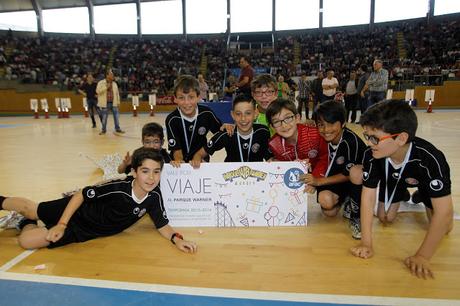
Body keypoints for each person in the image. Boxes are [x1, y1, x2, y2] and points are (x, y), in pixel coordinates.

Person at [0, 148, 197, 253]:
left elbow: (162, 225)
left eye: (156, 172)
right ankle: (15, 209)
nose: (151, 178)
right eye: (145, 171)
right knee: (30, 208)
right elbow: (81, 194)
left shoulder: (154, 196)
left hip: (84, 230)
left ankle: (23, 223)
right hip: (77, 209)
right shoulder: (118, 188)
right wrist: (61, 224)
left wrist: (177, 240)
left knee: (26, 241)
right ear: (135, 172)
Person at [350, 100, 453, 279]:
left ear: (401, 138)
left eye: (374, 138)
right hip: (394, 181)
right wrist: (366, 243)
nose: (370, 143)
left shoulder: (430, 158)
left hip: (424, 183)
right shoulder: (372, 155)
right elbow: (367, 198)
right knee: (385, 218)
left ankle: (423, 195)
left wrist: (422, 256)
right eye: (367, 136)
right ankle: (403, 195)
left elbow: (444, 212)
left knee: (446, 228)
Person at [307, 101, 366, 239]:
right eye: (321, 124)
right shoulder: (320, 139)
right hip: (333, 177)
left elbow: (349, 174)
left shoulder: (351, 142)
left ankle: (356, 211)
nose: (326, 129)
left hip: (354, 181)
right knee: (328, 209)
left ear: (343, 123)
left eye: (331, 123)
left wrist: (318, 182)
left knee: (355, 174)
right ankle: (345, 201)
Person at [265, 98, 328, 192]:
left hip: (320, 177)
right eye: (276, 122)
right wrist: (276, 164)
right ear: (272, 127)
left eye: (288, 118)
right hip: (296, 182)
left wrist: (315, 179)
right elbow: (285, 169)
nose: (284, 125)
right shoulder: (274, 144)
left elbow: (325, 158)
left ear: (297, 118)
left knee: (326, 200)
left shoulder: (315, 134)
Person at [165, 75, 222, 169]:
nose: (187, 103)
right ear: (175, 99)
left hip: (201, 161)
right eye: (181, 98)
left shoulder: (207, 113)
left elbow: (220, 133)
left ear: (198, 97)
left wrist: (203, 152)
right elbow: (176, 148)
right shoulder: (172, 119)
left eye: (191, 97)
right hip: (180, 162)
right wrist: (180, 162)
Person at [199, 94, 272, 162]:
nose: (243, 118)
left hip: (257, 175)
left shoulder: (263, 131)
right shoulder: (228, 133)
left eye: (248, 113)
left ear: (255, 113)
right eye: (238, 114)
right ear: (233, 115)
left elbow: (269, 158)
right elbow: (200, 154)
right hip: (230, 175)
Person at [96, 70, 125, 135]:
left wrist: (118, 102)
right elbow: (98, 91)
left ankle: (117, 129)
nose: (113, 76)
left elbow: (117, 94)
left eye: (112, 75)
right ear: (107, 75)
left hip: (114, 103)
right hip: (105, 103)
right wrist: (106, 87)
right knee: (104, 118)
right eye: (111, 74)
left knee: (116, 117)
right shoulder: (101, 83)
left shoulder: (114, 84)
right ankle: (103, 130)